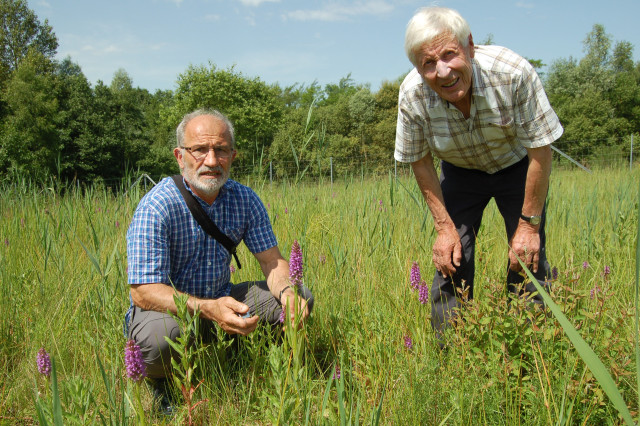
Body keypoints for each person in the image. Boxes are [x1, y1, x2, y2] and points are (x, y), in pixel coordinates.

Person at [125, 109, 313, 412]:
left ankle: (241, 361)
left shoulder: (245, 199)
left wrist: (288, 293)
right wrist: (208, 308)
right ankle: (163, 384)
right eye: (199, 149)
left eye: (220, 150)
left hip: (221, 298)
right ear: (179, 155)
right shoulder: (157, 206)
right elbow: (142, 292)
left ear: (232, 155)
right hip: (170, 311)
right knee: (163, 337)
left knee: (300, 296)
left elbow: (272, 262)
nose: (211, 161)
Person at [395, 7, 563, 338]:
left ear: (469, 46)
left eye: (449, 54)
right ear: (417, 66)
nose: (442, 72)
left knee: (528, 255)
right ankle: (450, 355)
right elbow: (420, 161)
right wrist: (444, 228)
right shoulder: (412, 95)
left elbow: (540, 150)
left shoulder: (513, 74)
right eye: (428, 63)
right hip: (459, 172)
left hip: (517, 167)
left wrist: (528, 226)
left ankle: (527, 347)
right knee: (451, 257)